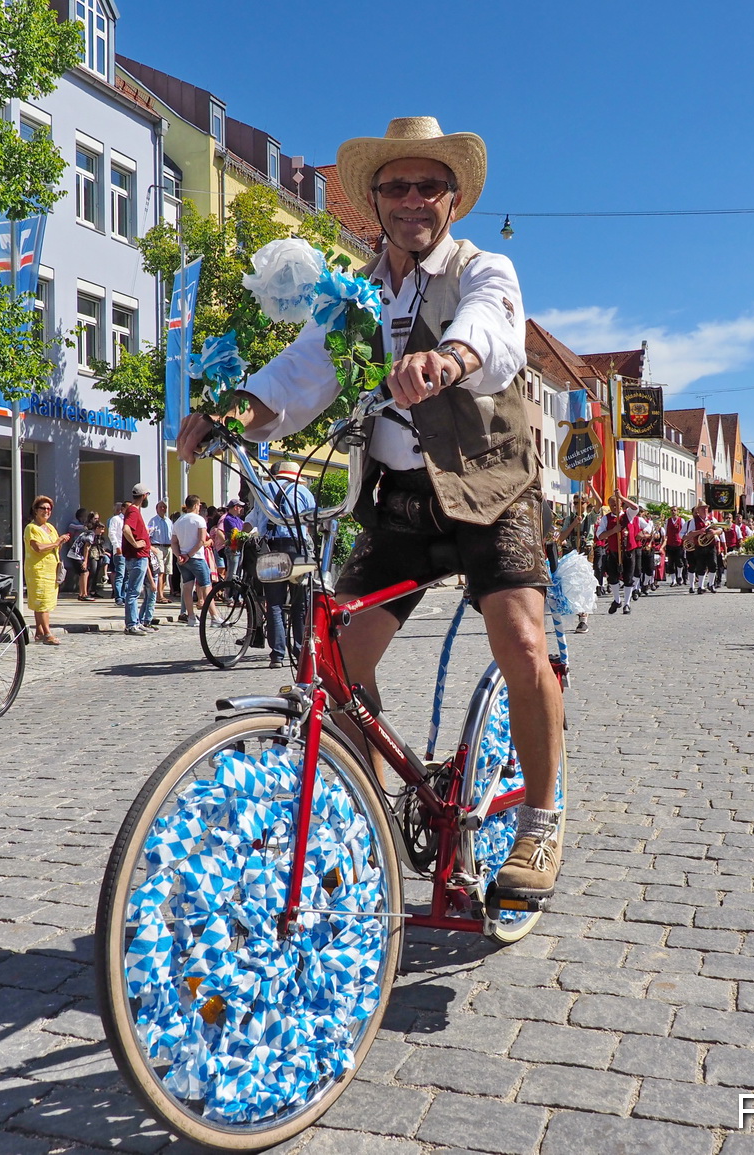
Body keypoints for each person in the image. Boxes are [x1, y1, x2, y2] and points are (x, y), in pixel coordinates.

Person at [175, 115, 564, 903]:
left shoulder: (483, 270)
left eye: (429, 185)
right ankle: (373, 817)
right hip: (401, 504)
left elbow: (494, 334)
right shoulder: (353, 300)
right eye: (397, 186)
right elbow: (298, 377)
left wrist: (449, 356)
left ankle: (541, 821)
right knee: (334, 666)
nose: (413, 199)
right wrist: (233, 411)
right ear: (376, 201)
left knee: (522, 640)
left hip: (491, 489)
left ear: (451, 198)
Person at [248, 465, 317, 667]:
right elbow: (312, 521)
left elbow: (255, 517)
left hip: (271, 549)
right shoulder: (303, 492)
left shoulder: (264, 489)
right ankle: (299, 651)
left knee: (275, 604)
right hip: (298, 550)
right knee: (300, 603)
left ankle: (277, 655)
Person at [24, 495, 69, 644]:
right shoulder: (32, 528)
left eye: (49, 509)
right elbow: (38, 547)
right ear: (35, 510)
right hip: (38, 570)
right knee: (42, 601)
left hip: (51, 569)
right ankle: (48, 633)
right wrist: (57, 542)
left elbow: (55, 546)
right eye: (43, 508)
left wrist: (60, 541)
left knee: (45, 601)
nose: (46, 511)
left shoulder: (50, 527)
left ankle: (40, 631)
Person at [119, 482, 155, 635]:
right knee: (133, 592)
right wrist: (135, 543)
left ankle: (137, 622)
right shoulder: (133, 511)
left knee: (138, 590)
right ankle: (131, 624)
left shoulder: (134, 510)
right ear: (144, 495)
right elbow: (126, 528)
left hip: (139, 557)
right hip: (137, 557)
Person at [171, 496, 213, 625]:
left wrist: (179, 555)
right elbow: (201, 540)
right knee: (207, 586)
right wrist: (189, 555)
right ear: (196, 505)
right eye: (199, 505)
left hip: (183, 558)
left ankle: (191, 617)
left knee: (187, 587)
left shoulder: (178, 521)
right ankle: (214, 616)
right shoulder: (199, 520)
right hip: (196, 557)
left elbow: (173, 542)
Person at [596, 493, 640, 614]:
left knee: (628, 577)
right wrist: (612, 531)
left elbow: (636, 507)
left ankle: (627, 603)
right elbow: (600, 535)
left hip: (629, 551)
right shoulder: (606, 518)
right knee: (613, 577)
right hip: (614, 551)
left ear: (621, 504)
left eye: (617, 504)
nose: (615, 507)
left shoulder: (627, 515)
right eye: (612, 505)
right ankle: (617, 600)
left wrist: (621, 497)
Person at [684, 503, 720, 593]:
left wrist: (714, 532)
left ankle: (711, 584)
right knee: (701, 566)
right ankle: (700, 586)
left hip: (711, 545)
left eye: (706, 508)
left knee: (713, 565)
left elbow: (720, 530)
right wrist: (699, 532)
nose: (705, 510)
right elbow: (689, 534)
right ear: (698, 510)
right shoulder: (694, 521)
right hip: (699, 546)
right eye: (702, 509)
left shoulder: (712, 519)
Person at [148, 500, 175, 601]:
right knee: (159, 571)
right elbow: (148, 535)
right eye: (161, 507)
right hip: (157, 547)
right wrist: (151, 547)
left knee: (166, 572)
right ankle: (159, 595)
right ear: (156, 509)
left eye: (164, 507)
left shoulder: (168, 521)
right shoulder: (153, 521)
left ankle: (162, 593)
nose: (163, 509)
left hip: (168, 547)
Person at [105, 501, 126, 604]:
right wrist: (117, 546)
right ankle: (118, 596)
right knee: (120, 574)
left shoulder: (128, 520)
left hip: (128, 552)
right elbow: (112, 533)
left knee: (127, 576)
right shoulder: (116, 519)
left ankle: (124, 595)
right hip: (119, 551)